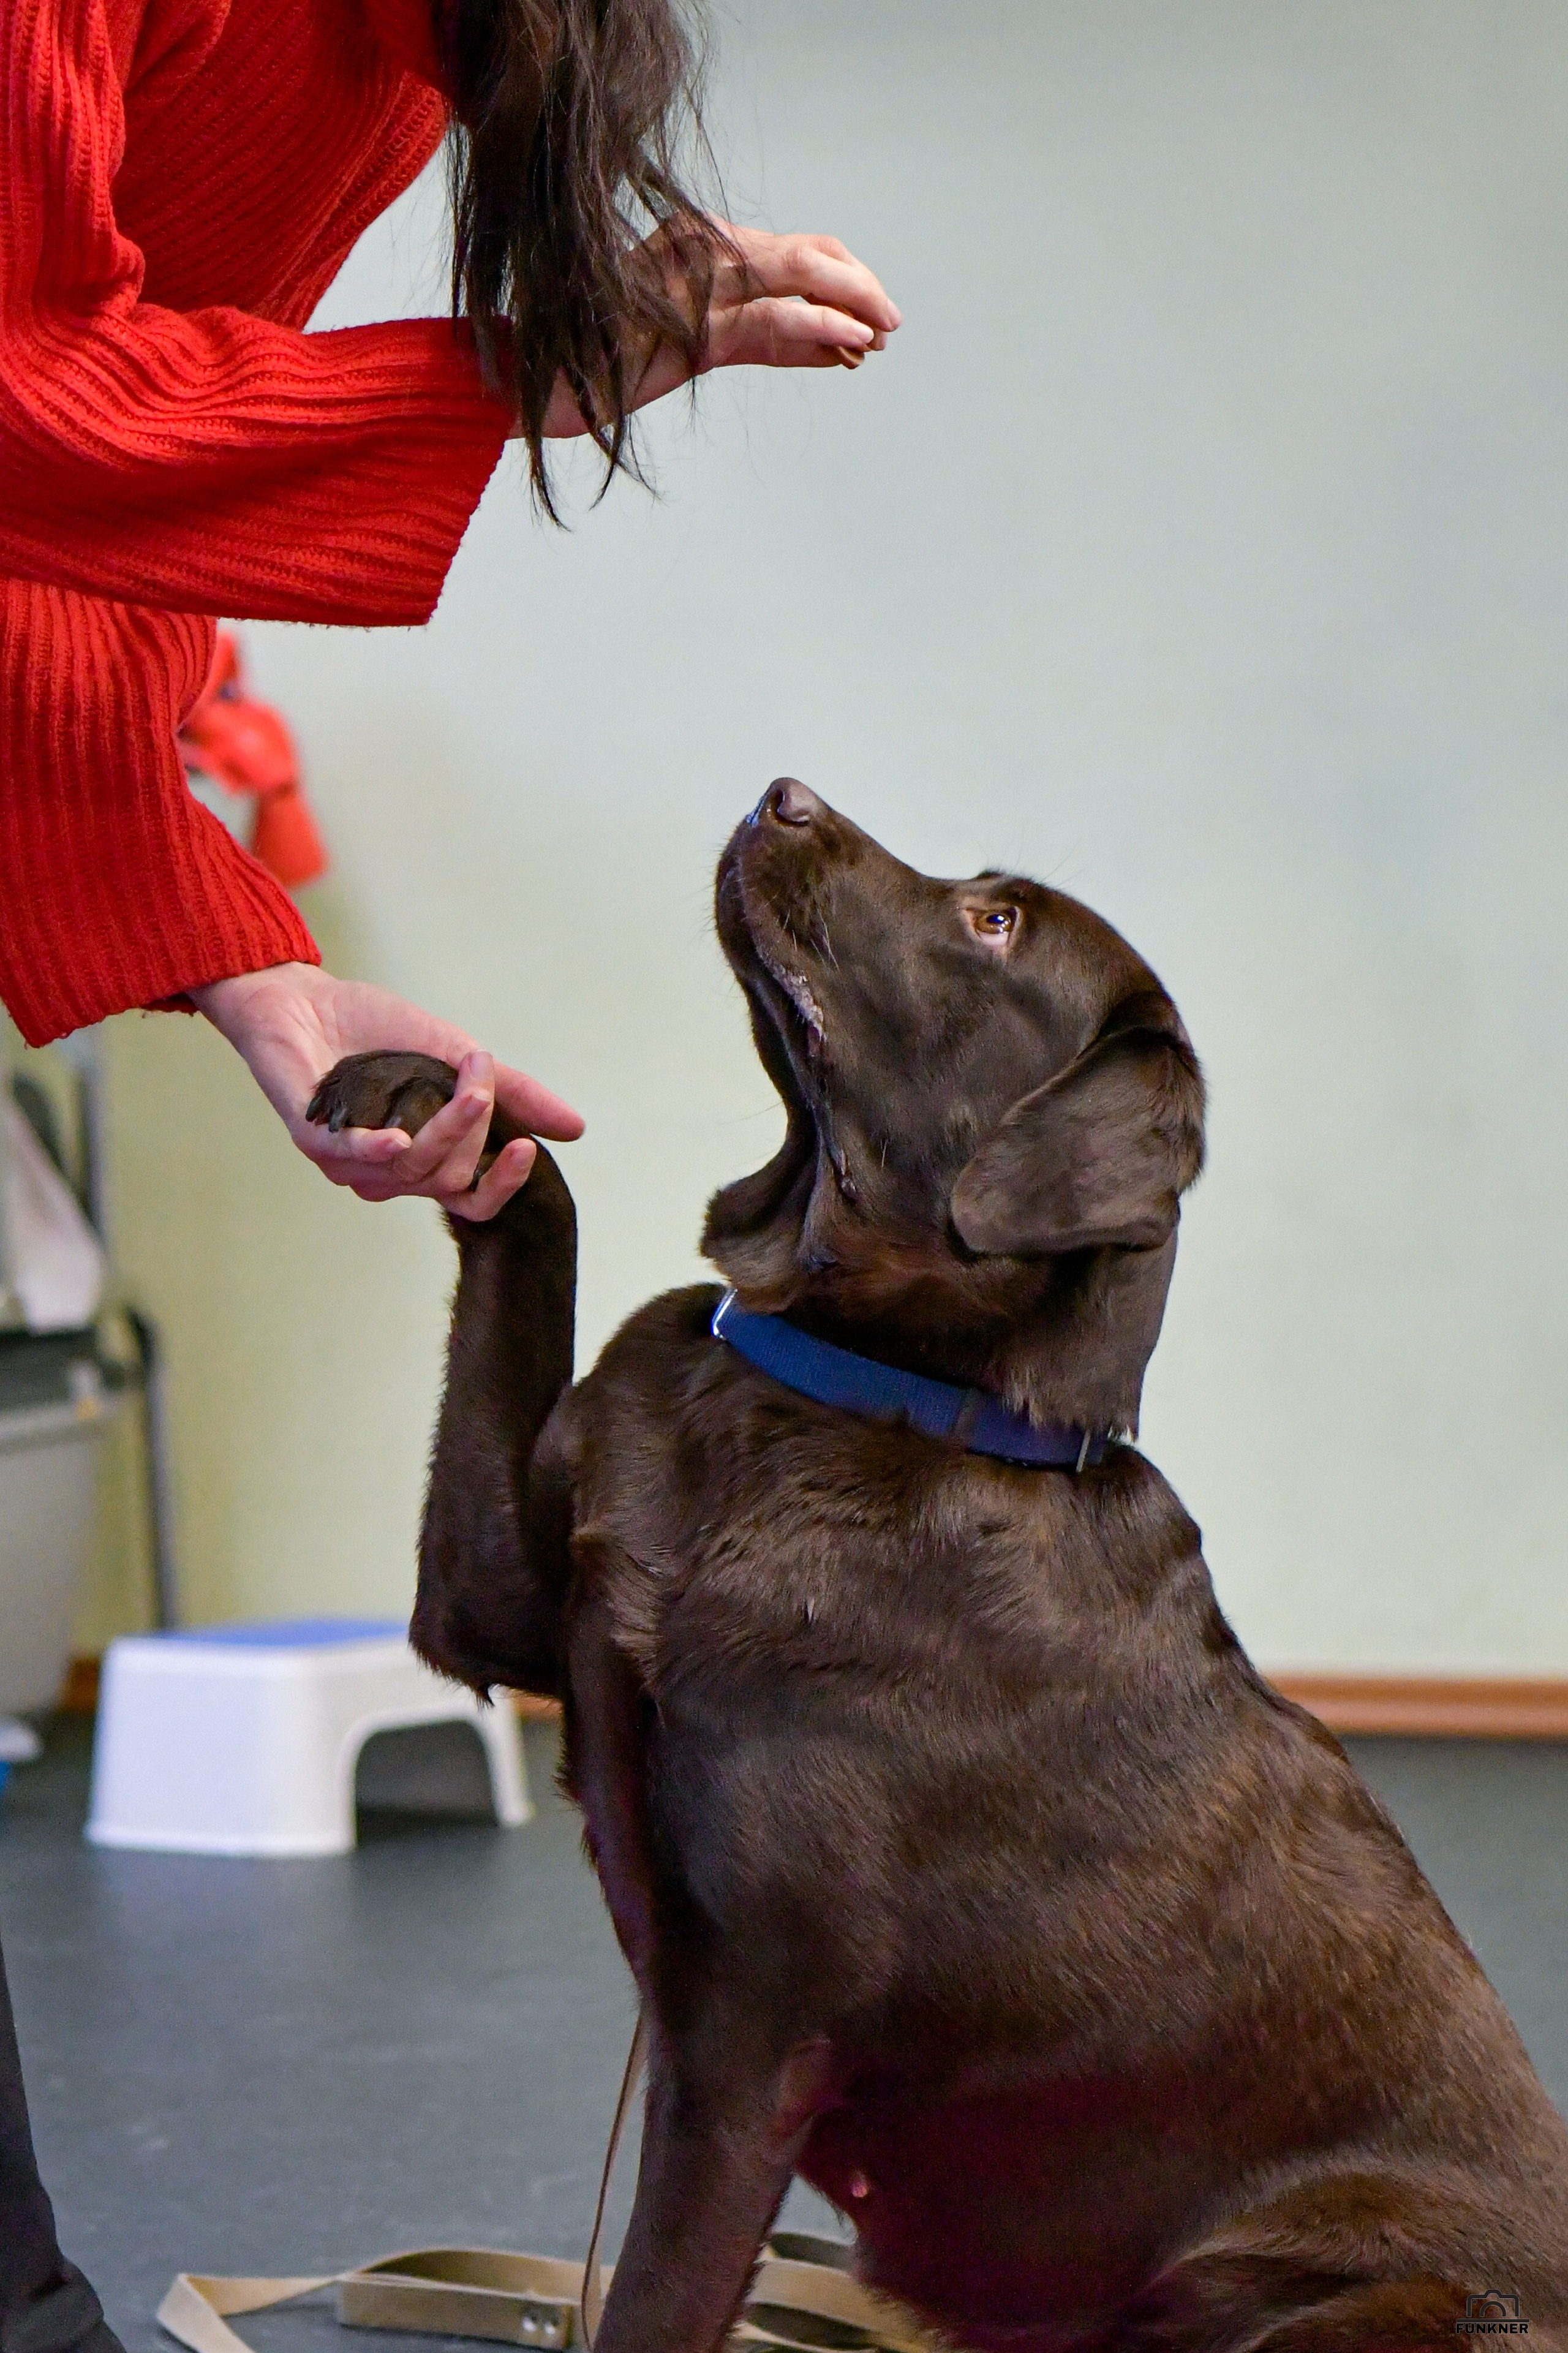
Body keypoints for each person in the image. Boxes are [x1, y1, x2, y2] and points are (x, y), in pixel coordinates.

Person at [0, 0, 899, 2340]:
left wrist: (232, 956)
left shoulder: (385, 44)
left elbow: (61, 531)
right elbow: (24, 385)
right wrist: (517, 366)